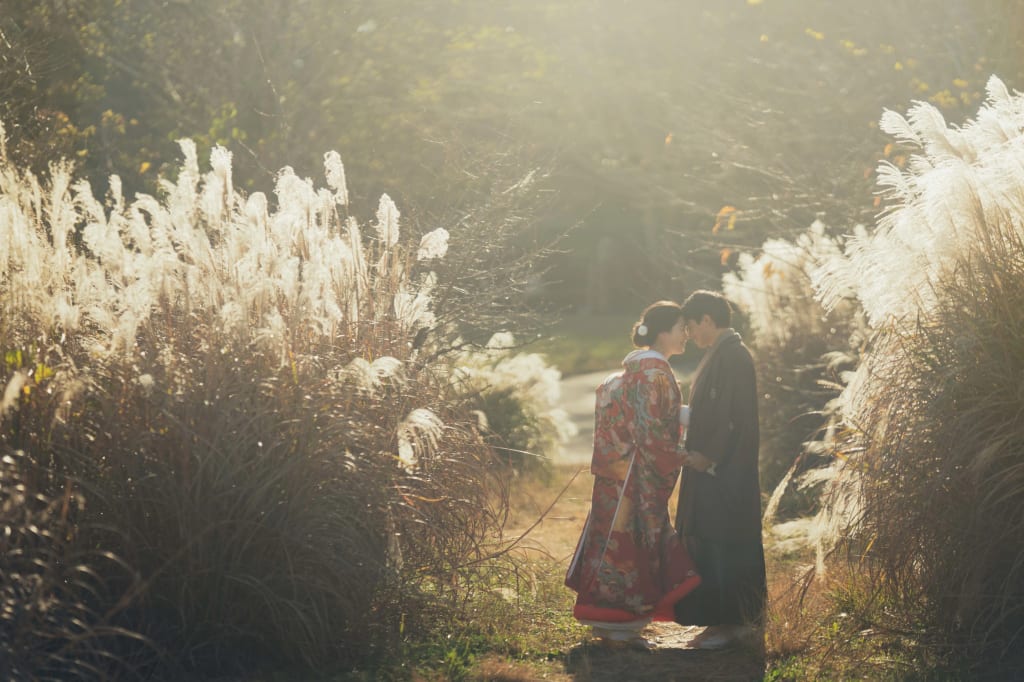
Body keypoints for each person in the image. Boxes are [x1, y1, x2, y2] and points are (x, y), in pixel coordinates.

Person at [565, 301, 702, 650]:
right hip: (637, 476)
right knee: (631, 545)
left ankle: (612, 623)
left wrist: (682, 418)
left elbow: (643, 421)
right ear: (664, 331)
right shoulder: (655, 373)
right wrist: (686, 456)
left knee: (612, 540)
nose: (686, 334)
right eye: (681, 327)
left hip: (616, 473)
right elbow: (652, 431)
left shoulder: (628, 373)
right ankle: (621, 626)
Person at [673, 290, 766, 650]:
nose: (691, 334)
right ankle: (725, 622)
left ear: (708, 320)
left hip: (726, 469)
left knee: (725, 540)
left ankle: (731, 625)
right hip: (715, 467)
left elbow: (733, 419)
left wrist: (709, 457)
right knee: (715, 540)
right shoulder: (725, 354)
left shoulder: (734, 356)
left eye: (693, 326)